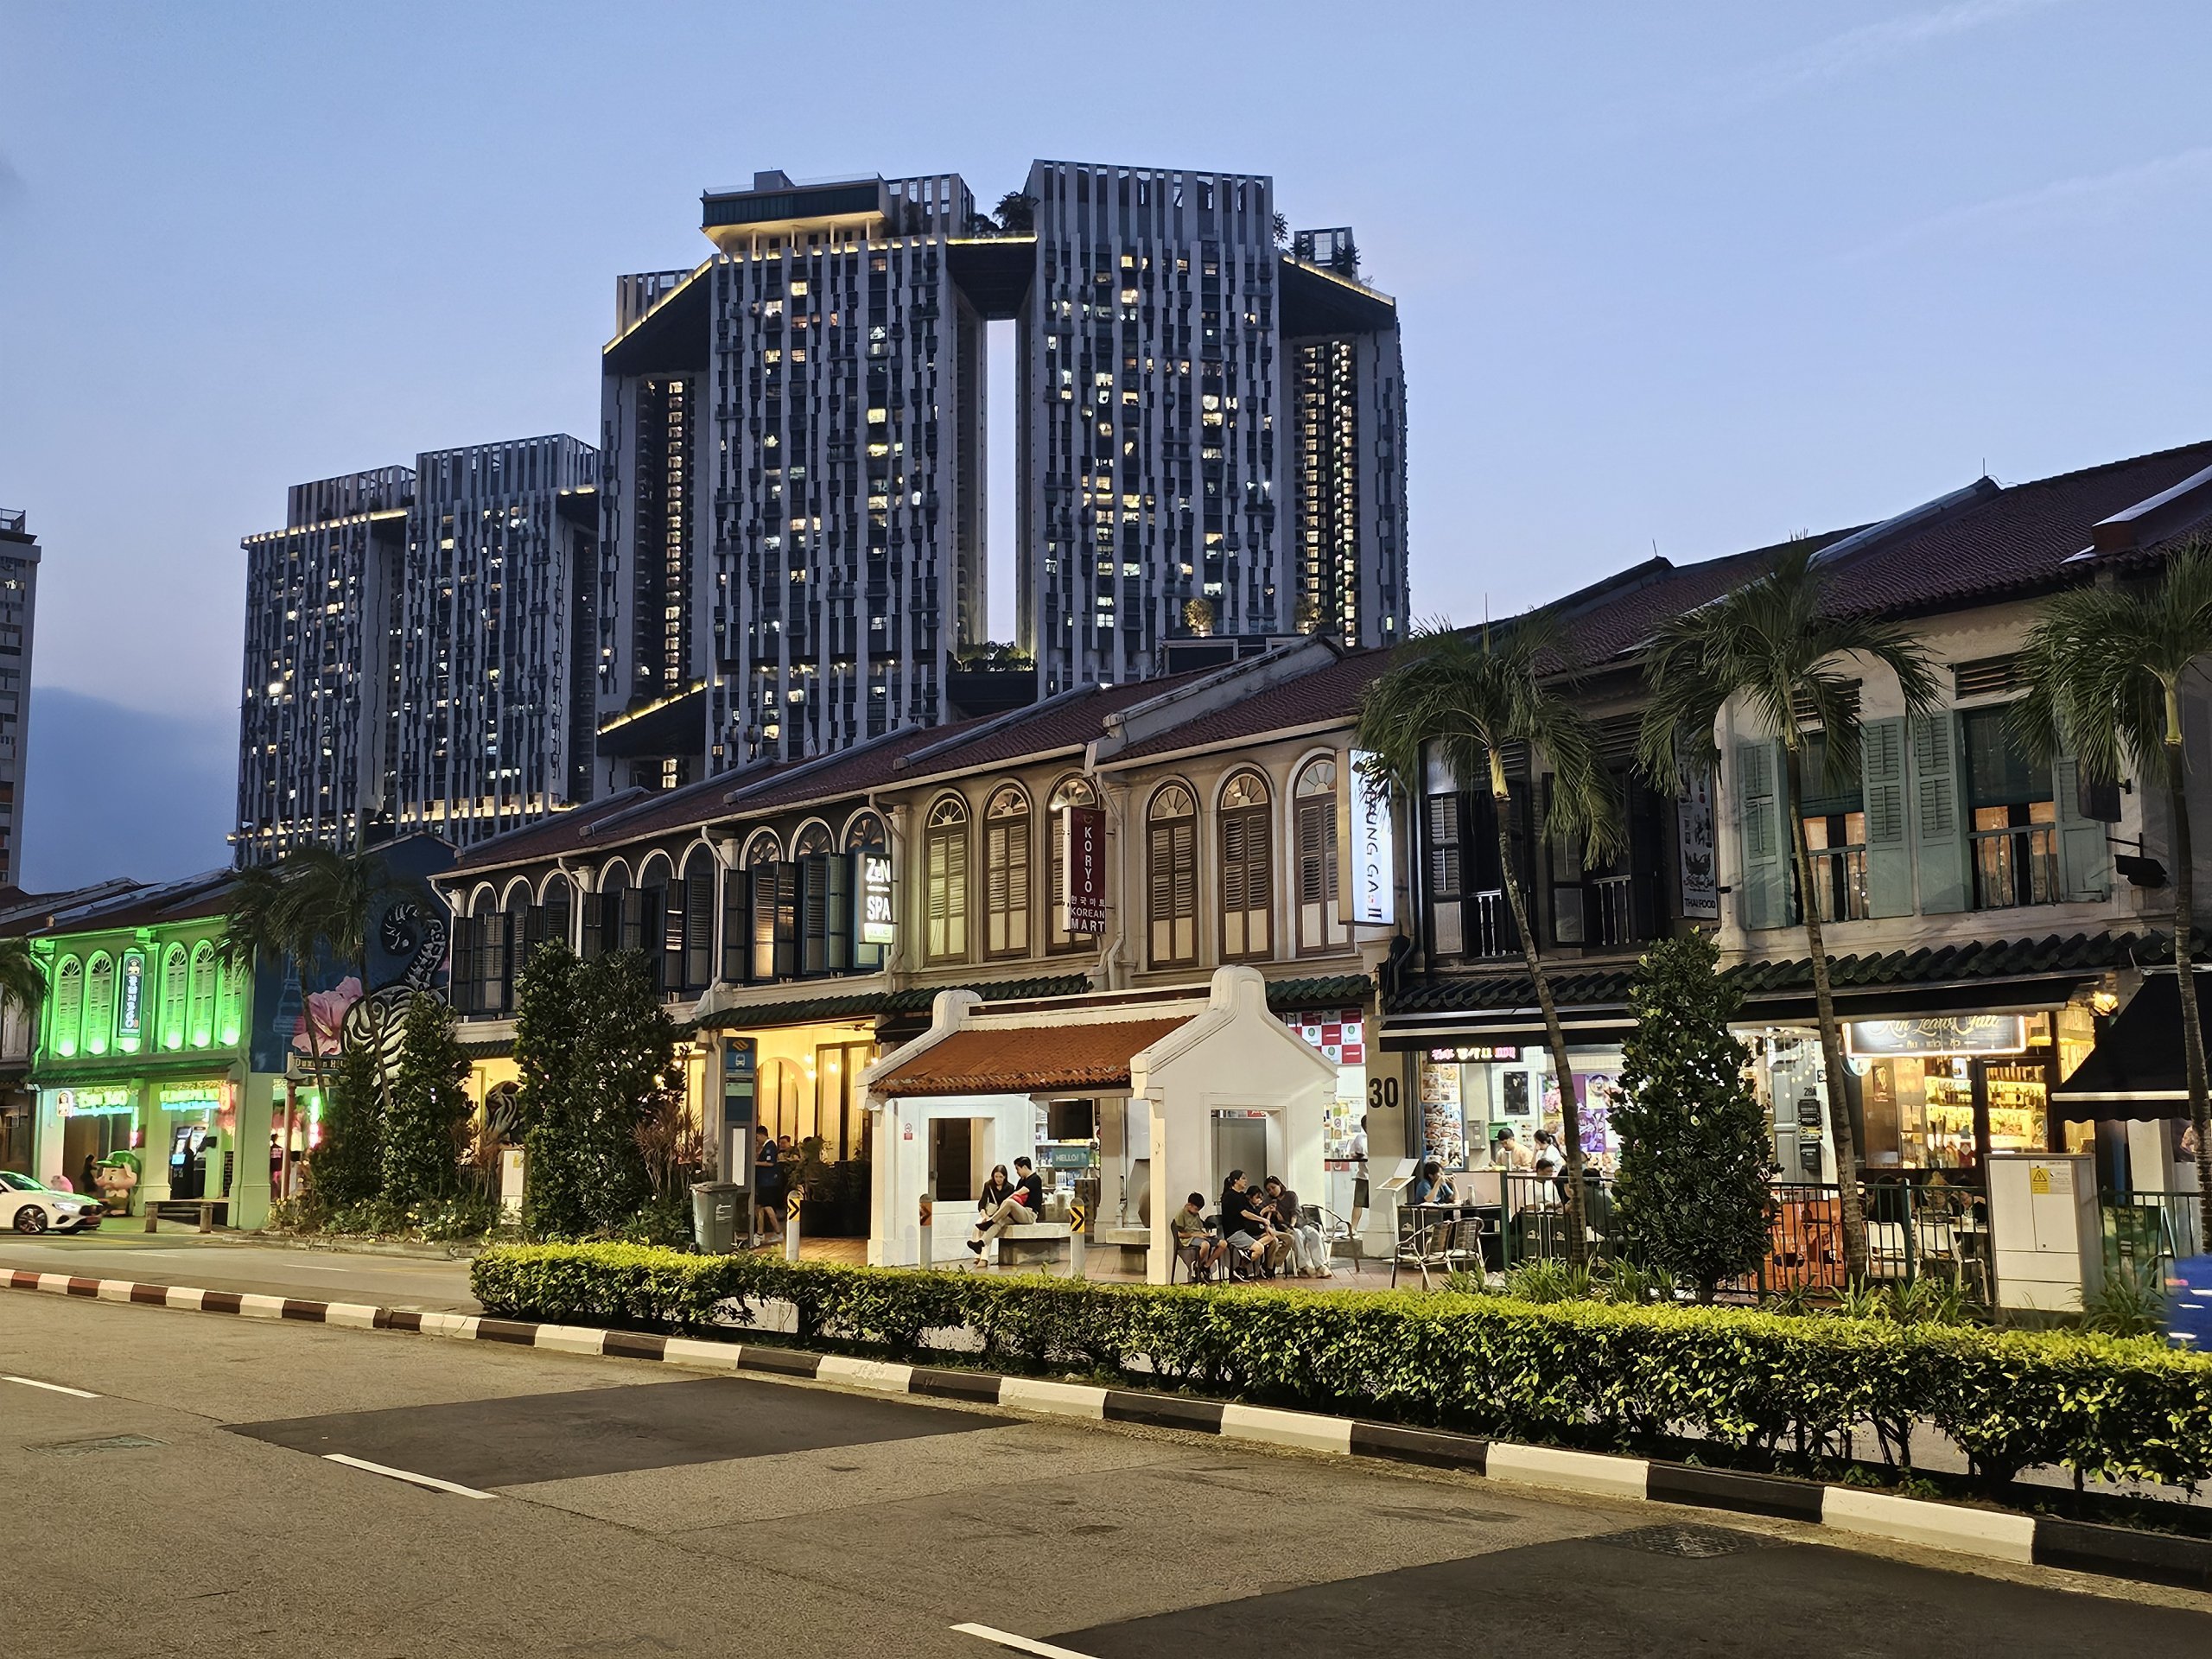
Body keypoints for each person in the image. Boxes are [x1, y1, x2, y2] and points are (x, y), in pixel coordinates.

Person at [969, 1157, 1043, 1255]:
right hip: (1019, 1213)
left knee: (1009, 1202)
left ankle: (990, 1221)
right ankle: (981, 1243)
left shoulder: (1035, 1179)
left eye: (1018, 1169)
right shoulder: (1021, 1181)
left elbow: (1019, 1193)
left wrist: (1006, 1202)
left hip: (1029, 1214)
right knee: (1000, 1221)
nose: (1017, 1172)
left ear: (1024, 1167)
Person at [1264, 1175, 1328, 1276]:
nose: (1272, 1191)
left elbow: (1295, 1212)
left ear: (1279, 1185)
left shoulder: (1291, 1195)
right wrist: (1274, 1213)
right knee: (1297, 1235)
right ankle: (1303, 1266)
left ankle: (1320, 1265)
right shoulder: (1269, 1201)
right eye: (1269, 1190)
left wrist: (1292, 1225)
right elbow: (1273, 1219)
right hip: (1285, 1227)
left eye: (1273, 1187)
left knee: (1314, 1234)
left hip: (1300, 1224)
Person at [1170, 1192, 1223, 1281]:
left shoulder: (1196, 1214)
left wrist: (1205, 1234)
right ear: (1189, 1205)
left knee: (1223, 1244)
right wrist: (1195, 1234)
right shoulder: (1181, 1214)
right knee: (1205, 1245)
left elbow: (1199, 1228)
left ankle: (1206, 1266)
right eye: (1196, 1209)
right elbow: (1179, 1234)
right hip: (1189, 1238)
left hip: (1200, 1236)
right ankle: (1197, 1266)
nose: (1197, 1211)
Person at [753, 1128, 785, 1236]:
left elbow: (770, 1163)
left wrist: (755, 1163)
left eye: (757, 1137)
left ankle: (778, 1232)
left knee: (767, 1207)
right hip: (763, 1182)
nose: (757, 1139)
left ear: (762, 1135)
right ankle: (760, 1232)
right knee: (759, 1207)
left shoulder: (770, 1146)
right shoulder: (763, 1147)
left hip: (768, 1183)